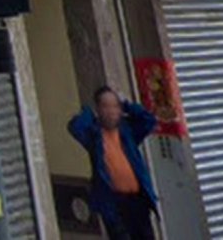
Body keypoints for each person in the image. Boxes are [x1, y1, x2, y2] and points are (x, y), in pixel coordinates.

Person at [68, 83, 162, 240]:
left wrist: (127, 105)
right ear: (98, 109)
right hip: (113, 204)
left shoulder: (128, 131)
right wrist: (87, 111)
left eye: (115, 106)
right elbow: (75, 127)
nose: (111, 111)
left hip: (137, 200)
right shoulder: (94, 134)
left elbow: (149, 120)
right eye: (105, 106)